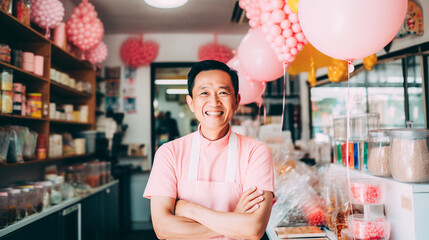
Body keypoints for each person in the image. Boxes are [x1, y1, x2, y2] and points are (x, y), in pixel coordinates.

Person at [144, 60, 274, 240]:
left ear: (236, 101)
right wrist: (235, 218)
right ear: (191, 102)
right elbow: (163, 228)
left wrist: (190, 209)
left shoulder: (256, 152)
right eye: (204, 93)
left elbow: (253, 229)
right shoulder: (169, 152)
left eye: (223, 92)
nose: (214, 102)